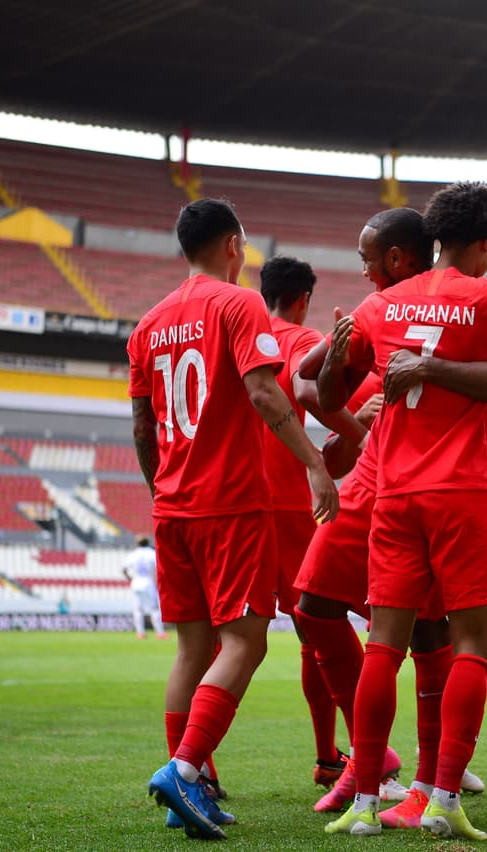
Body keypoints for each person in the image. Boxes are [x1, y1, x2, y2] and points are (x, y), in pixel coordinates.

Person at [318, 182, 487, 839]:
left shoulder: (382, 303)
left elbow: (326, 387)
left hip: (392, 495)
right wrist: (445, 363)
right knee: (471, 647)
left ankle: (367, 803)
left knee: (383, 646)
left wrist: (376, 361)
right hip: (459, 494)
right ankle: (444, 798)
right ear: (486, 243)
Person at [131, 198, 338, 840]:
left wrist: (162, 487)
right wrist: (313, 462)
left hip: (173, 506)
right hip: (230, 505)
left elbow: (143, 426)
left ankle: (190, 787)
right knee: (245, 641)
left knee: (192, 650)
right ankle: (185, 771)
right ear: (234, 243)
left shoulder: (147, 323)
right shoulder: (239, 302)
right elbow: (262, 390)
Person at [258, 254, 378, 792]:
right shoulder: (301, 341)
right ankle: (359, 755)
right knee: (321, 623)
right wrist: (362, 438)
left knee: (219, 639)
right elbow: (311, 393)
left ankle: (196, 767)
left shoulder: (238, 336)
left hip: (233, 500)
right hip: (294, 501)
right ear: (303, 298)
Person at [122, 536, 166, 640]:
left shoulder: (133, 554)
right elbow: (159, 568)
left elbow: (124, 569)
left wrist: (130, 579)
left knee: (138, 609)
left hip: (136, 582)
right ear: (148, 543)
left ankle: (140, 633)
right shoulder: (151, 553)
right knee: (154, 608)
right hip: (148, 583)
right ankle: (160, 633)